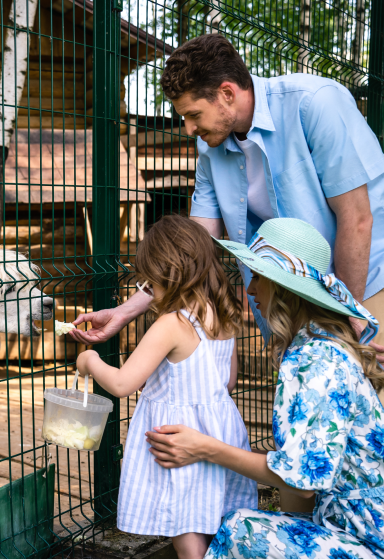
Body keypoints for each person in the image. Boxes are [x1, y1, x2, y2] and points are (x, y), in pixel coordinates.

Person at [71, 33, 384, 441]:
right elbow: (192, 252)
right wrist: (126, 310)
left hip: (366, 264)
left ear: (226, 93)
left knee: (369, 404)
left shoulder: (315, 103)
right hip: (289, 284)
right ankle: (307, 502)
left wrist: (347, 315)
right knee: (308, 409)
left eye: (193, 114)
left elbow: (357, 219)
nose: (187, 128)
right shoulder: (210, 150)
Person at [143, 218, 384, 559]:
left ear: (282, 287)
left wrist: (204, 448)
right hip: (375, 535)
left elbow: (301, 482)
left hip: (380, 547)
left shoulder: (314, 361)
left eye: (258, 277)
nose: (250, 289)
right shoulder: (319, 345)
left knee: (242, 530)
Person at [75, 215, 257, 560]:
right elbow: (227, 380)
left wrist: (89, 362)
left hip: (177, 439)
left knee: (184, 530)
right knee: (208, 514)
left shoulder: (170, 324)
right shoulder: (223, 312)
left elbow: (121, 383)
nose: (150, 290)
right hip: (219, 432)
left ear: (169, 274)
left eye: (151, 281)